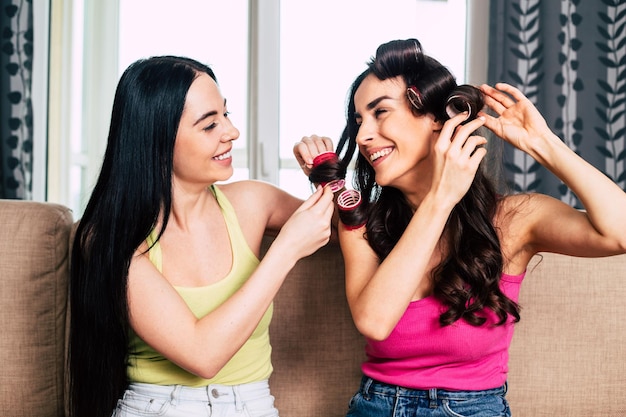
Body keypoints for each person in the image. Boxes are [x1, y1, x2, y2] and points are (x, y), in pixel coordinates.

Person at [294, 38, 626, 416]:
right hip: (378, 406)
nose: (362, 136)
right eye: (358, 121)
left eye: (380, 112)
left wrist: (543, 144)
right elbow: (374, 320)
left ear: (437, 118)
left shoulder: (515, 220)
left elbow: (620, 232)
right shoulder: (362, 224)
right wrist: (441, 197)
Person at [68, 56, 335, 417]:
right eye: (210, 125)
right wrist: (286, 250)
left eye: (226, 114)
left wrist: (325, 173)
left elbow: (352, 224)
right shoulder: (112, 239)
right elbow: (202, 354)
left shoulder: (252, 202)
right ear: (157, 140)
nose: (231, 132)